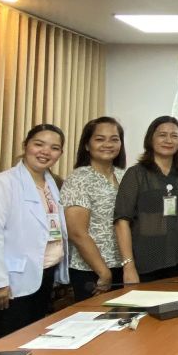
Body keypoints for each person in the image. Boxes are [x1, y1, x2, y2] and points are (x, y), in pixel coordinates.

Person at [0, 124, 69, 341]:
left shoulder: (52, 184)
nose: (45, 152)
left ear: (60, 153)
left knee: (32, 337)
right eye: (38, 144)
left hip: (45, 273)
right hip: (11, 280)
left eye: (54, 148)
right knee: (8, 340)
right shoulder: (2, 184)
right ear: (25, 146)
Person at [114, 116, 178, 283]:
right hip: (146, 263)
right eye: (162, 135)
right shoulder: (136, 174)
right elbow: (122, 221)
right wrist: (128, 265)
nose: (168, 140)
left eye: (174, 135)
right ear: (151, 138)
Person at [61, 117, 126, 302]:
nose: (108, 144)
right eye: (100, 139)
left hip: (123, 265)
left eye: (114, 139)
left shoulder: (125, 176)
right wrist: (103, 272)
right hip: (92, 271)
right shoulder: (79, 179)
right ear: (87, 145)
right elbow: (77, 233)